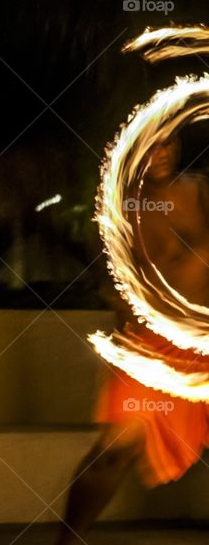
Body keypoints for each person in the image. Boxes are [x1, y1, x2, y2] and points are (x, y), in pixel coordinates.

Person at [56, 133, 209, 544]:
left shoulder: (200, 192)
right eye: (152, 145)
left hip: (202, 342)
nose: (162, 154)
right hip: (150, 347)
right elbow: (112, 282)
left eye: (170, 144)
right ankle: (68, 541)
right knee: (114, 450)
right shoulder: (118, 208)